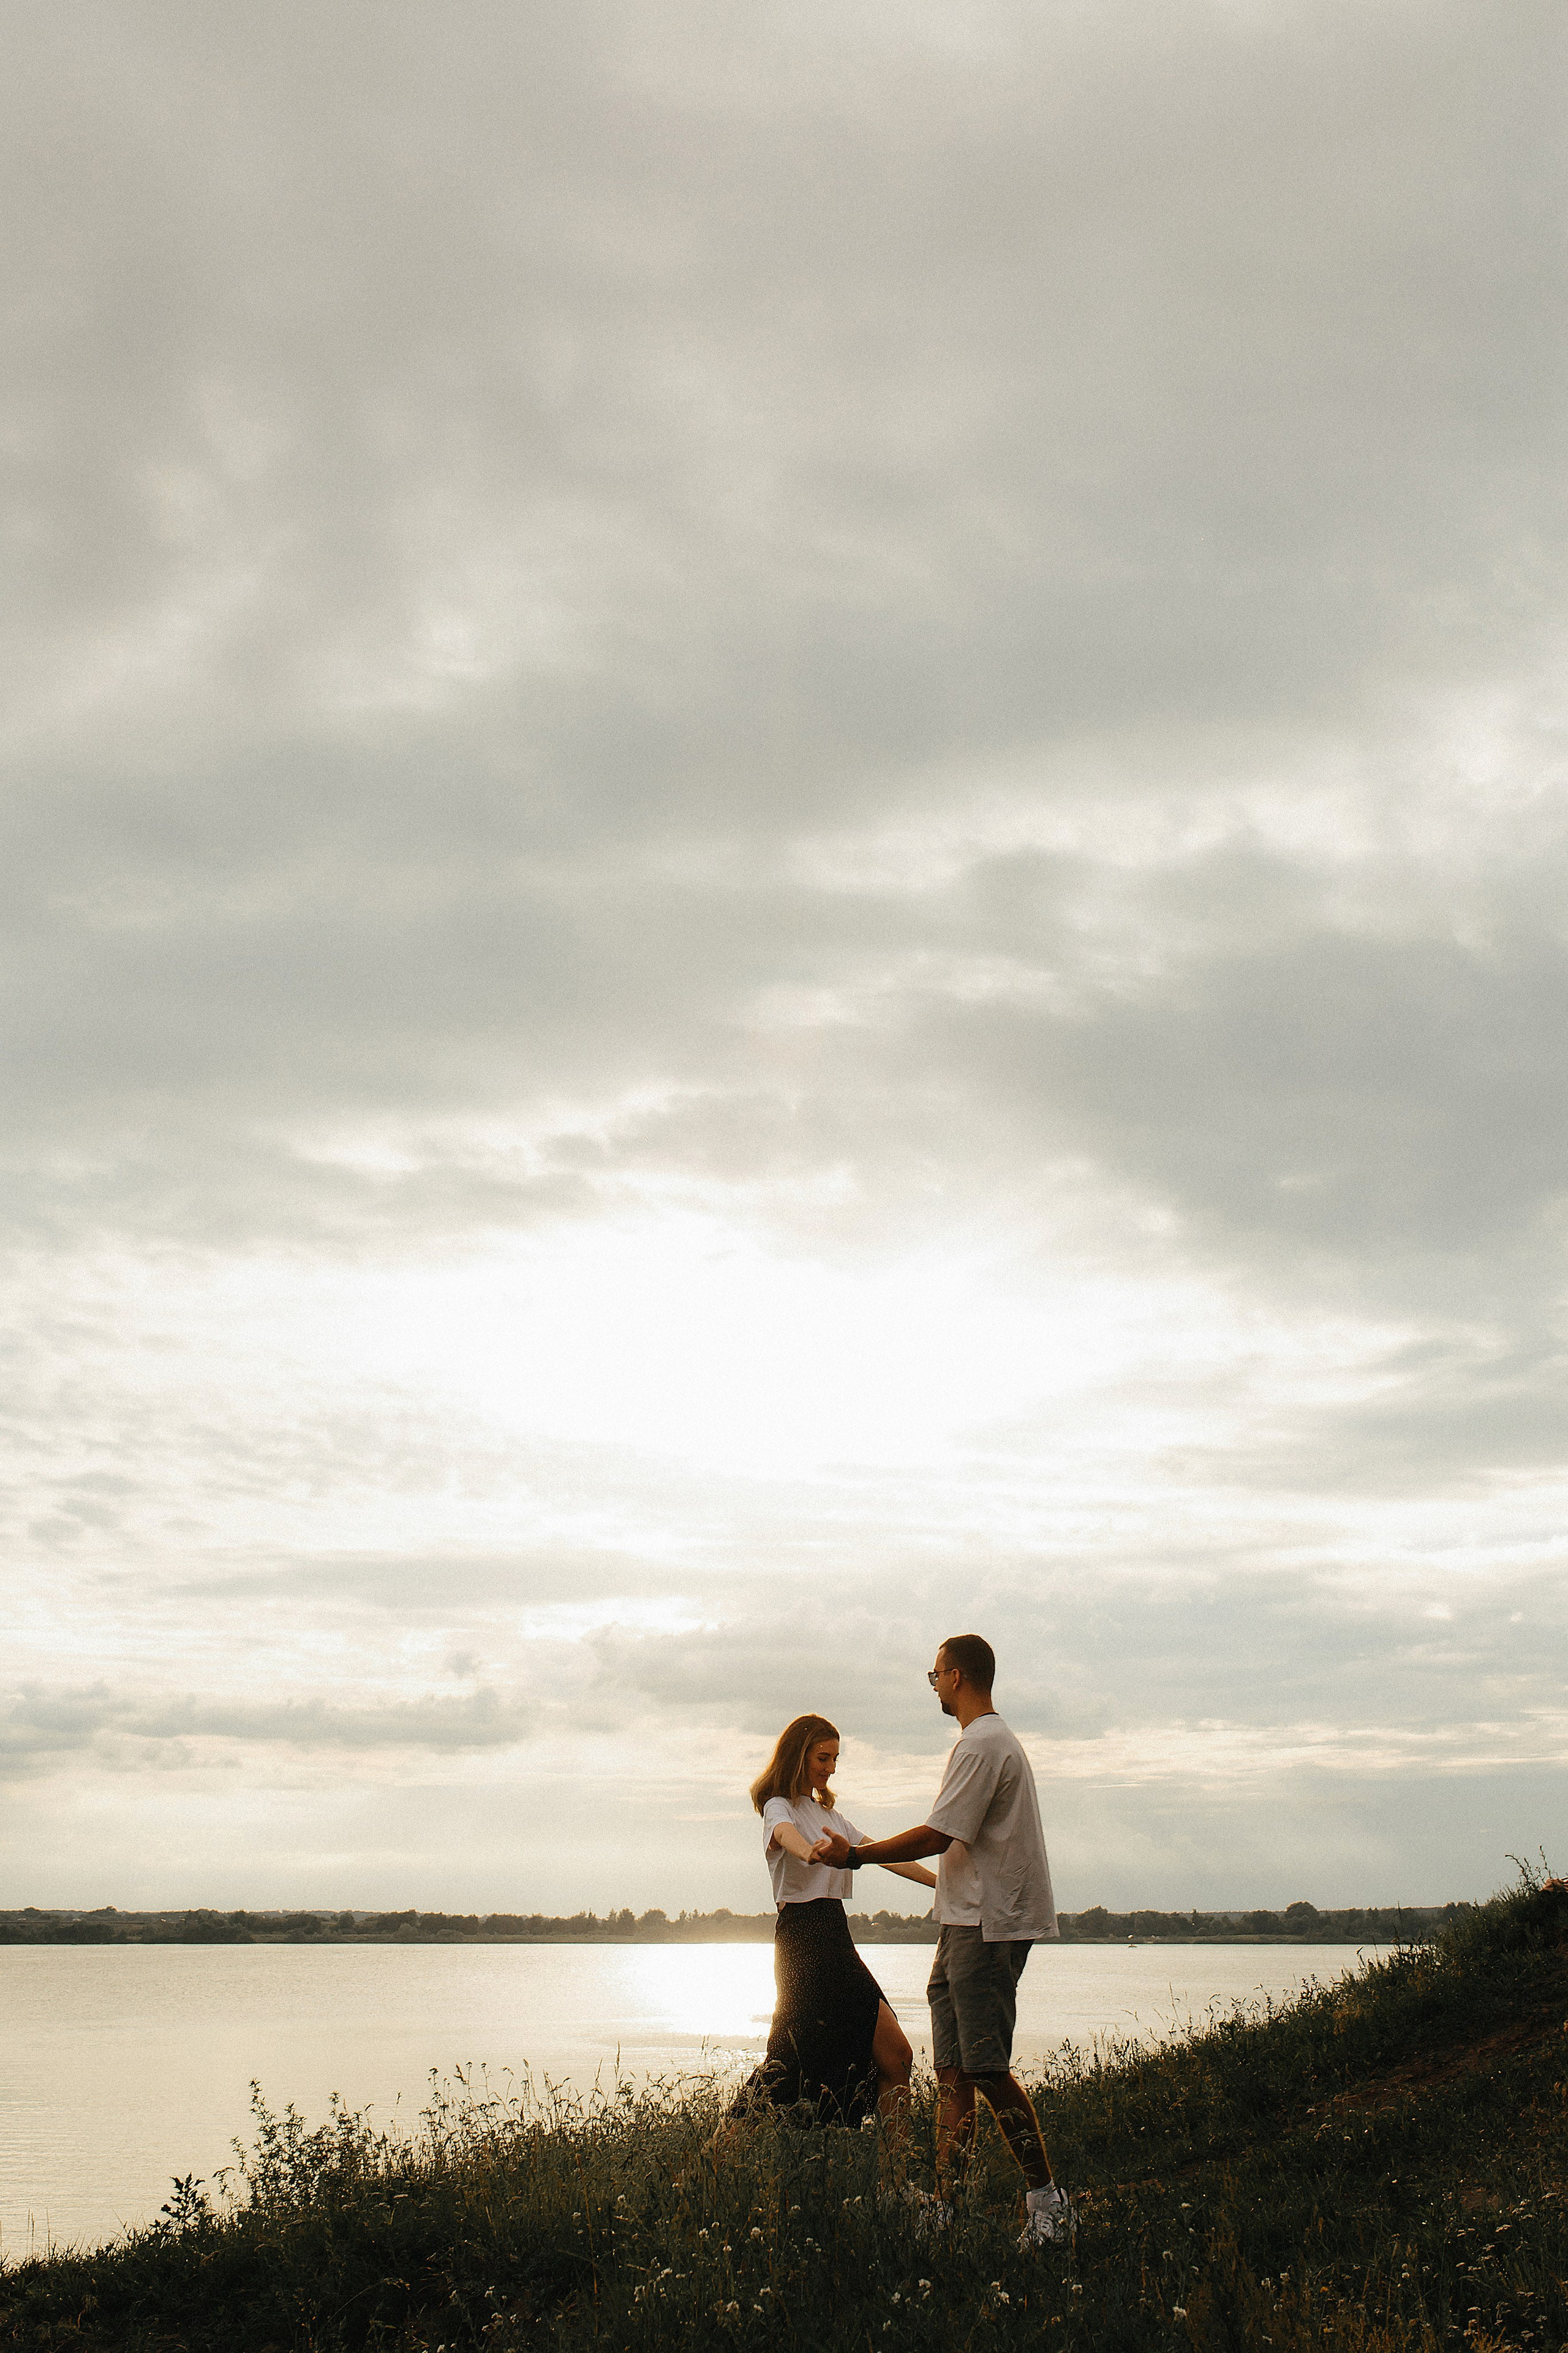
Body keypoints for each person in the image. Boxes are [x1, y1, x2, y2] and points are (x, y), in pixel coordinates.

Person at [816, 1636, 1073, 2245]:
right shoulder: (983, 1742)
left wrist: (856, 1856)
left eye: (935, 1675)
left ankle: (1050, 2205)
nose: (933, 1684)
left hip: (988, 1923)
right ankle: (946, 2210)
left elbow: (938, 1834)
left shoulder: (982, 1744)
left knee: (985, 2067)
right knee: (952, 2072)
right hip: (963, 1921)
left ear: (956, 1676)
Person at [730, 1712, 937, 2134]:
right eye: (823, 1758)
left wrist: (942, 1885)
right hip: (803, 1939)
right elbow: (784, 1834)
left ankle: (898, 2173)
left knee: (896, 2056)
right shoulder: (778, 1806)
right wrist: (808, 1852)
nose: (831, 1768)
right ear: (799, 1755)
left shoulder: (830, 1816)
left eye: (835, 1759)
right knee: (787, 2063)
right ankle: (716, 2158)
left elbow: (882, 1854)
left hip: (836, 1936)